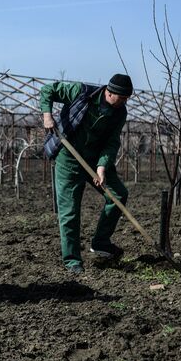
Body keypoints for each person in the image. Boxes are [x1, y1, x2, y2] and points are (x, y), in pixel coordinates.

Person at [40, 74, 133, 274]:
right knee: (70, 211)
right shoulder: (82, 92)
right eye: (123, 98)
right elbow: (48, 90)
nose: (125, 102)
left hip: (94, 158)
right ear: (109, 93)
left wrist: (101, 167)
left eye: (127, 99)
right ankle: (72, 261)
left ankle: (100, 242)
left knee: (118, 194)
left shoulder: (120, 112)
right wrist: (47, 115)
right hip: (69, 158)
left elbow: (112, 142)